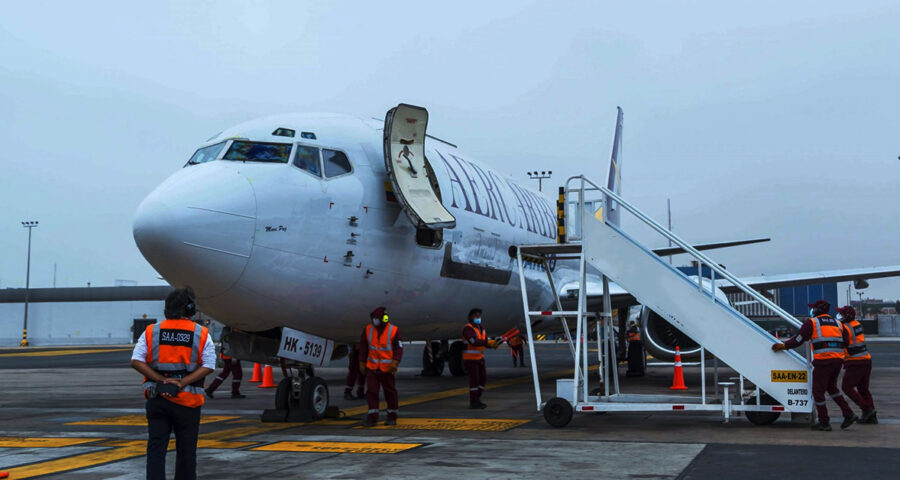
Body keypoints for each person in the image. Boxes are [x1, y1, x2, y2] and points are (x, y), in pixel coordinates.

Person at [131, 287, 215, 480]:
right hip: (187, 401)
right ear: (190, 309)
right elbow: (209, 365)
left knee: (156, 448)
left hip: (157, 397)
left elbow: (136, 360)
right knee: (186, 452)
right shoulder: (200, 333)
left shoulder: (152, 331)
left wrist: (161, 379)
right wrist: (182, 382)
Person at [772, 300, 857, 431]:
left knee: (818, 391)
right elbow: (846, 341)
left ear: (817, 310)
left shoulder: (812, 322)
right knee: (832, 388)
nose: (812, 311)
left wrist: (784, 346)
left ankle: (824, 422)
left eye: (813, 308)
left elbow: (798, 339)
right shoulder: (838, 324)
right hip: (837, 361)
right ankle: (849, 413)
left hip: (823, 362)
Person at [359, 307, 402, 426]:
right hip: (372, 368)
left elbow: (399, 348)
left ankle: (392, 416)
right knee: (372, 391)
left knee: (390, 392)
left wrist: (395, 361)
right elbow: (363, 347)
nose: (374, 321)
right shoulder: (368, 329)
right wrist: (361, 362)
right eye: (373, 318)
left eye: (377, 318)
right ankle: (372, 417)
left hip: (387, 369)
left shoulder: (393, 330)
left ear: (383, 318)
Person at [837, 305, 877, 424]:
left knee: (846, 387)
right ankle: (871, 417)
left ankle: (867, 409)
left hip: (855, 361)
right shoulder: (857, 324)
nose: (840, 317)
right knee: (863, 389)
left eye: (842, 314)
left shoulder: (845, 328)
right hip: (866, 360)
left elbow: (842, 344)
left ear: (846, 316)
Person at [462, 308, 499, 409]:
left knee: (483, 379)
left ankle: (477, 398)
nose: (478, 318)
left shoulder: (481, 328)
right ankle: (473, 401)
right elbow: (473, 341)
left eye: (479, 316)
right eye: (475, 316)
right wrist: (487, 343)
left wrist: (492, 344)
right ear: (470, 317)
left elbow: (484, 341)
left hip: (480, 358)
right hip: (470, 359)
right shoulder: (468, 328)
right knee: (475, 379)